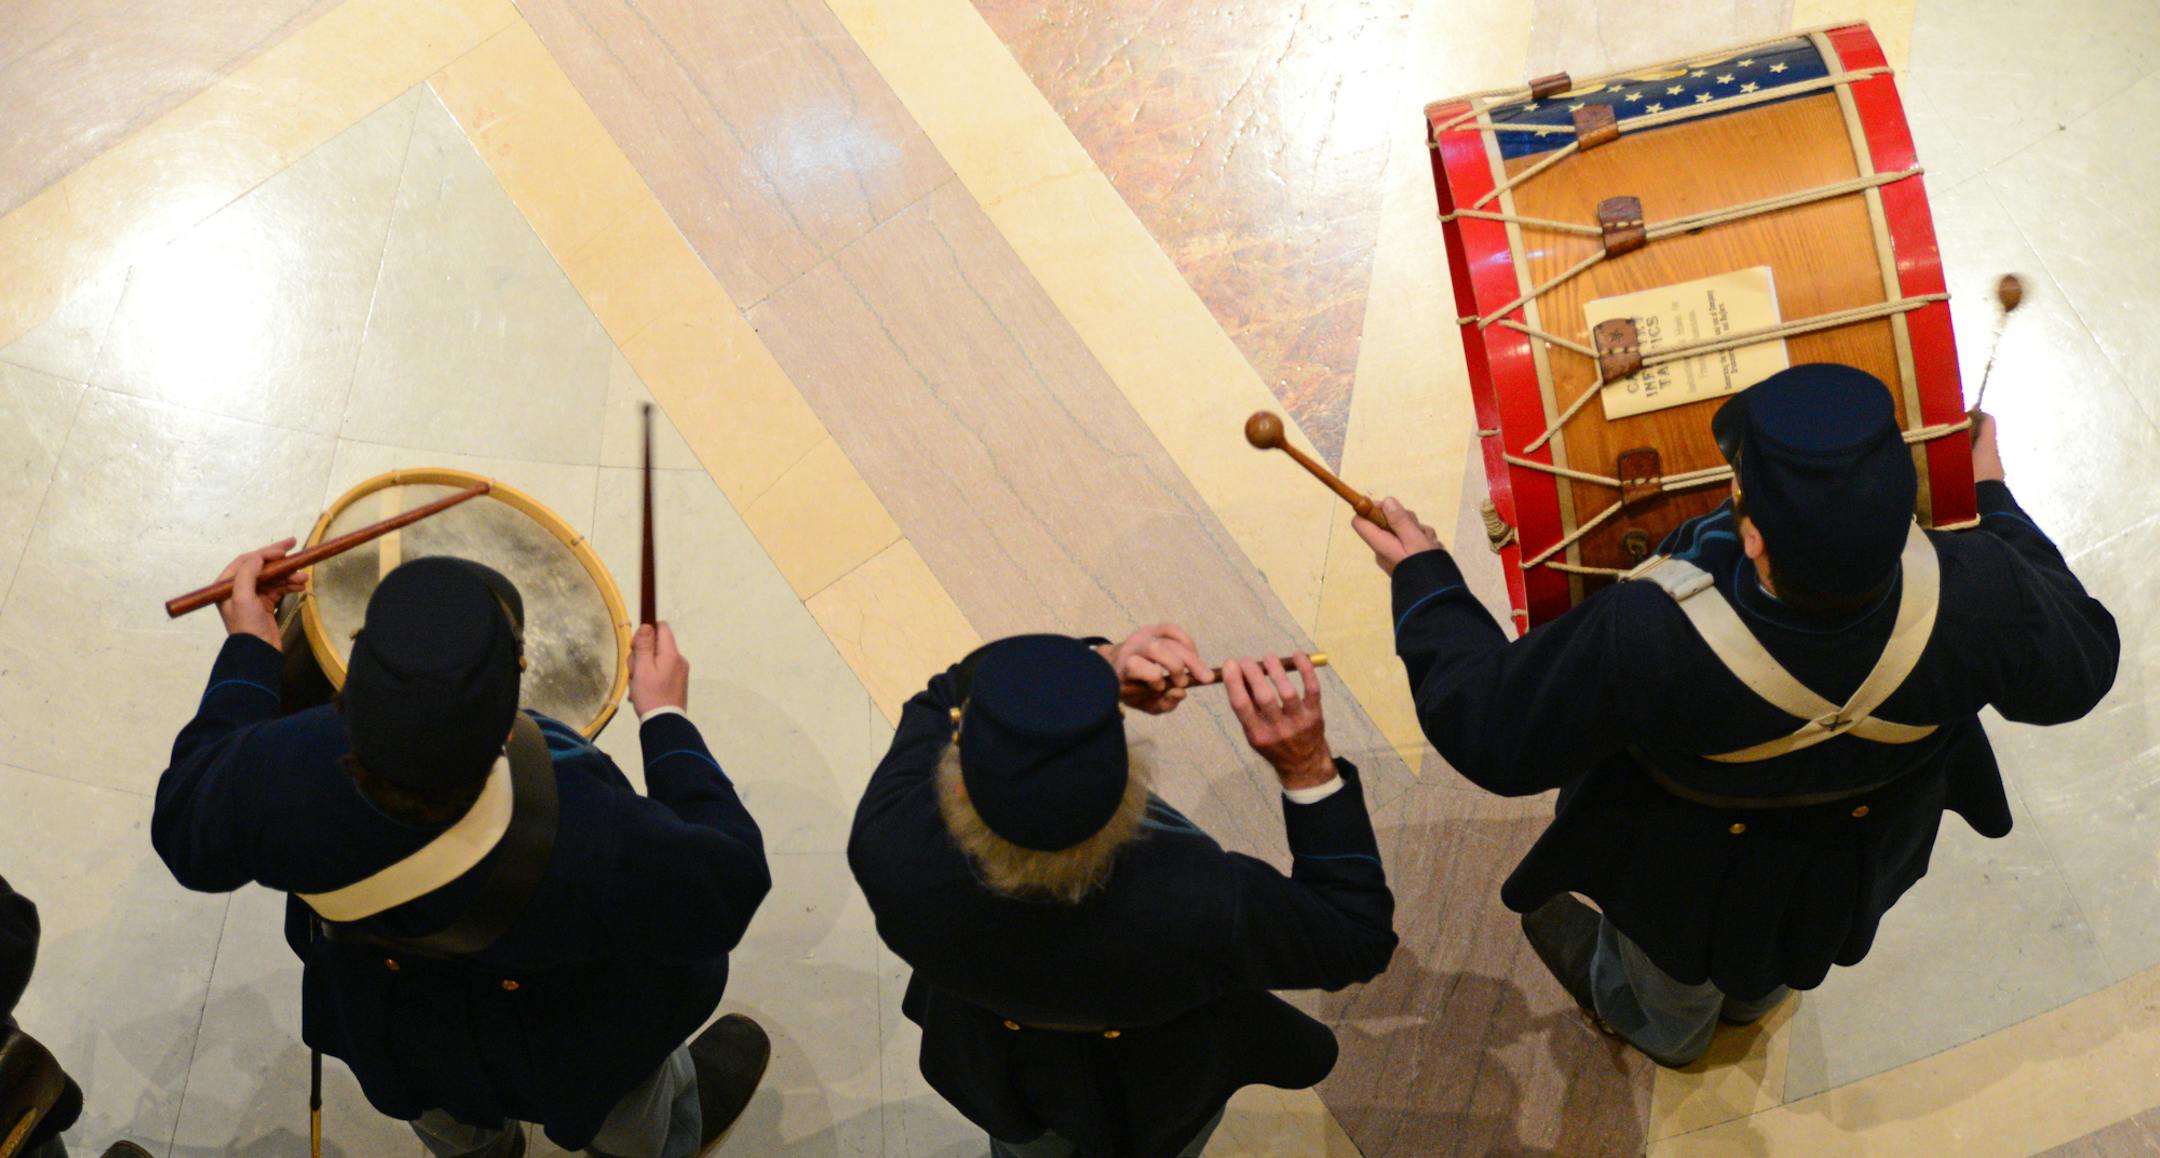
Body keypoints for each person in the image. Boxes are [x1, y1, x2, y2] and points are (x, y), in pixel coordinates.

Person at [1357, 363, 2119, 1068]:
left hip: (1686, 877)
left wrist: (1427, 583)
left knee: (1668, 976)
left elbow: (1492, 729)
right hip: (1852, 857)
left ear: (1751, 537)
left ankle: (1667, 1034)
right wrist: (1993, 497)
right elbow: (2084, 663)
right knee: (1789, 946)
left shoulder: (1650, 634)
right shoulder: (1984, 595)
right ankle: (1753, 1004)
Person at [152, 548, 774, 1157]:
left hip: (394, 1028)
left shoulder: (281, 769)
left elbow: (183, 824)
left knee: (436, 1108)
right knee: (627, 1114)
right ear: (509, 726)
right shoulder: (594, 826)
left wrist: (251, 649)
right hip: (575, 1047)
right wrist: (666, 718)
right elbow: (728, 885)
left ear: (346, 692)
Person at [849, 625, 1398, 1156]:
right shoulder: (1200, 903)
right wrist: (1307, 768)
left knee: (1020, 1145)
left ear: (958, 779)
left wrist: (1092, 668)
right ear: (1126, 791)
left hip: (992, 1065)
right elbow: (1355, 936)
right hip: (1157, 1088)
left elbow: (950, 690)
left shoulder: (888, 841)